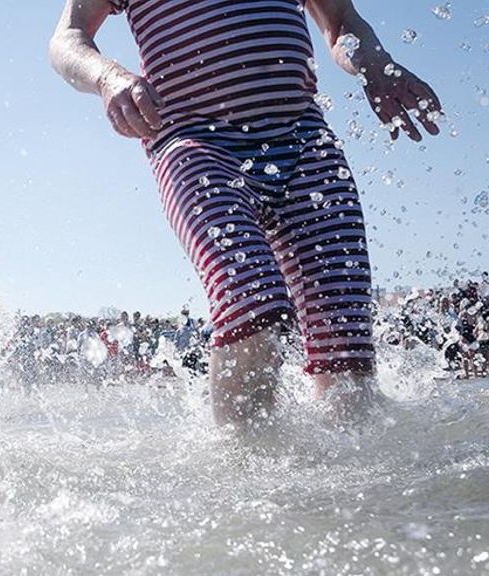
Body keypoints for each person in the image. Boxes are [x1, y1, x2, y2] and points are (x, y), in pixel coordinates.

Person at [49, 0, 442, 426]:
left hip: (304, 143)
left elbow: (342, 23)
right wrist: (107, 77)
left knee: (344, 337)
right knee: (254, 299)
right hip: (195, 144)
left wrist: (373, 60)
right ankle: (242, 457)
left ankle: (351, 461)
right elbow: (67, 38)